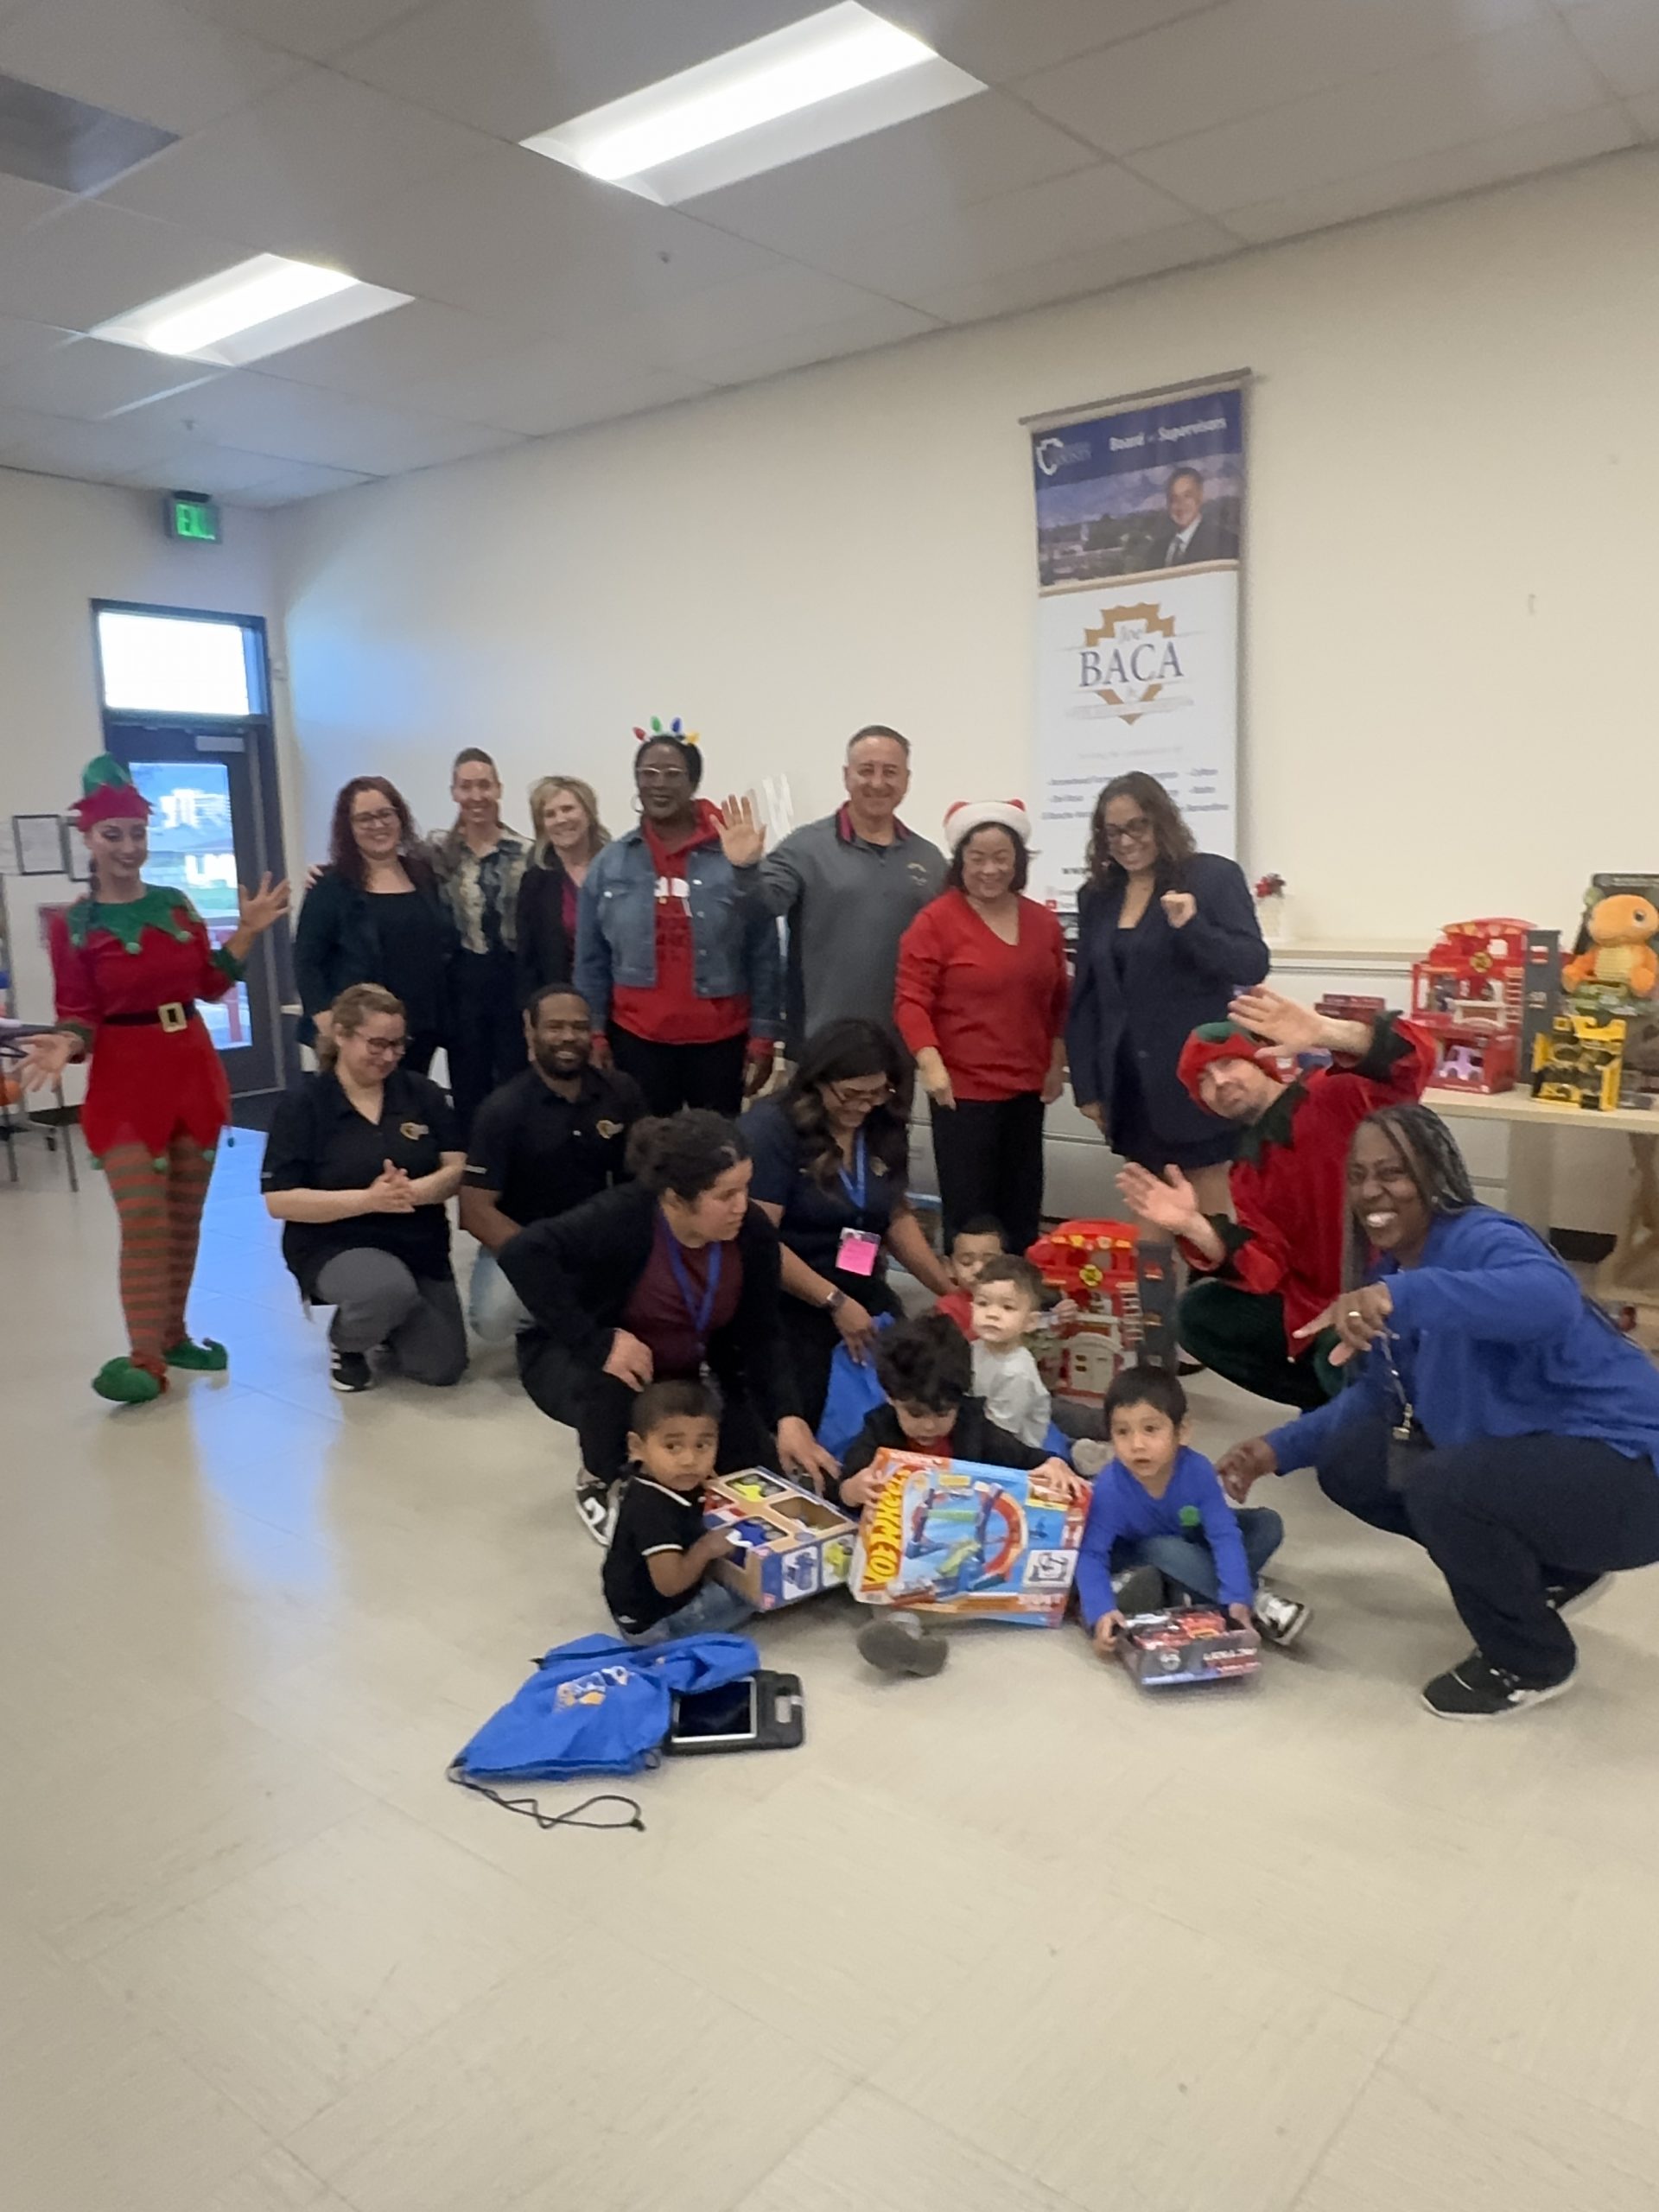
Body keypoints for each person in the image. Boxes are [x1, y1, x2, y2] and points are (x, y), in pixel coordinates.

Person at [1219, 1104, 1659, 1718]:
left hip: (1632, 1475)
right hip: (1546, 1462)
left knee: (1443, 1486)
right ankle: (1554, 1569)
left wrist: (1400, 1296)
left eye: (1395, 1172)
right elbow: (1378, 1396)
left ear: (1436, 1175)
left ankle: (1530, 1660)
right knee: (1352, 1459)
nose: (1373, 1190)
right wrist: (1273, 1449)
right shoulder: (1396, 1266)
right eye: (1360, 1175)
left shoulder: (1481, 1236)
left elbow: (1553, 1299)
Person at [19, 754, 289, 1404]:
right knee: (143, 1217)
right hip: (123, 1082)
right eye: (114, 835)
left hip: (190, 1072)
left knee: (184, 1218)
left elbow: (209, 983)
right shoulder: (74, 925)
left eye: (137, 833)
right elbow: (79, 1011)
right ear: (88, 838)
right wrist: (65, 1042)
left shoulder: (176, 906)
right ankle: (143, 1358)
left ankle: (172, 1336)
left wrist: (248, 933)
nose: (129, 847)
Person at [498, 1109, 838, 1541]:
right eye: (725, 1195)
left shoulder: (751, 1231)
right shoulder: (622, 1216)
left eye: (746, 1188)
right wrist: (595, 1342)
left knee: (751, 1474)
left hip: (687, 1365)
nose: (742, 1206)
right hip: (596, 1360)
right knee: (620, 1380)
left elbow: (762, 1331)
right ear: (676, 1198)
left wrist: (788, 1415)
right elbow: (523, 1254)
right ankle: (600, 1474)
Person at [1117, 988, 1434, 1408]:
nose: (1220, 1083)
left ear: (1260, 1059)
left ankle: (1380, 1423)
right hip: (1321, 1306)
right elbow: (1266, 1266)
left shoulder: (1335, 1090)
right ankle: (1333, 1410)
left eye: (1227, 1063)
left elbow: (1420, 1055)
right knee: (1199, 1314)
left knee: (1340, 1358)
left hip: (1402, 1286)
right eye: (1204, 1083)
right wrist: (1193, 1226)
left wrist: (1328, 1031)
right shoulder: (1248, 1172)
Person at [1067, 771, 1268, 1218]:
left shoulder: (1210, 877)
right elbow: (1087, 998)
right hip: (1129, 1089)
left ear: (1161, 821)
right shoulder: (1098, 896)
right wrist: (1088, 1087)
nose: (1125, 841)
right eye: (1112, 832)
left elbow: (1251, 964)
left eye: (1137, 826)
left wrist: (1192, 927)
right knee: (1153, 1216)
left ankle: (1216, 1290)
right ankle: (1158, 1292)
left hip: (1200, 1084)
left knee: (1212, 1220)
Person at [839, 1313, 1084, 1675]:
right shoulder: (879, 1429)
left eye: (942, 1413)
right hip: (907, 1555)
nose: (928, 1425)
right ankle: (905, 1641)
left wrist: (1054, 1463)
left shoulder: (972, 1424)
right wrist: (856, 1487)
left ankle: (1093, 1600)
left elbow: (1024, 1458)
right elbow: (844, 1488)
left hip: (972, 1547)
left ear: (959, 1400)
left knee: (1051, 1552)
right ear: (891, 1398)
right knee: (878, 1579)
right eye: (916, 1413)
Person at [744, 1018, 954, 1430]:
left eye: (878, 1092)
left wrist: (949, 1290)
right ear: (818, 1082)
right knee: (815, 1407)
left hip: (861, 1283)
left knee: (909, 1382)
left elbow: (891, 1214)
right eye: (852, 1094)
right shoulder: (771, 1130)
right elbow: (759, 1239)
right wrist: (834, 1301)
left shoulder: (881, 1121)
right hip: (788, 1297)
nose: (865, 1104)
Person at [261, 982, 467, 1393]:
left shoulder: (421, 1093)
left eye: (397, 1045)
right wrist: (369, 1200)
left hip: (418, 1242)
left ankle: (388, 1318)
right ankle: (348, 1343)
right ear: (341, 1035)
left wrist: (416, 1192)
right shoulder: (303, 1106)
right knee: (386, 1288)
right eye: (376, 1044)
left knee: (442, 1367)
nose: (388, 1056)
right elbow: (280, 1201)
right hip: (336, 1243)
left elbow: (456, 1166)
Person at [575, 726, 782, 1116]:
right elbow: (591, 959)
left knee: (715, 1158)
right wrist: (595, 1033)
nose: (659, 784)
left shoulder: (733, 853)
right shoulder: (611, 863)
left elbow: (764, 949)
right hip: (637, 1039)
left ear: (693, 782)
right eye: (648, 774)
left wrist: (763, 1036)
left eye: (672, 773)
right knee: (646, 1152)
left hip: (721, 1041)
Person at [895, 800, 1069, 1252]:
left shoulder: (1044, 922)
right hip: (962, 1092)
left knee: (1022, 1208)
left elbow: (1059, 1002)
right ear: (960, 862)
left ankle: (1018, 1309)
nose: (990, 869)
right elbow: (911, 1002)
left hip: (1026, 1090)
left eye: (1001, 858)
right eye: (978, 858)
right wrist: (931, 1067)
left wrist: (1056, 1061)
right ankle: (969, 1312)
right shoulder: (935, 921)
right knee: (972, 1217)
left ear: (1018, 862)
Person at [722, 725, 946, 1050]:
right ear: (846, 776)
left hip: (898, 1047)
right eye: (866, 770)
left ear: (907, 781)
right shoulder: (805, 847)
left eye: (891, 772)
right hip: (819, 1046)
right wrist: (745, 870)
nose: (878, 783)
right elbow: (762, 908)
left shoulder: (929, 859)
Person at [460, 985, 645, 1341]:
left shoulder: (621, 1092)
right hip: (525, 1237)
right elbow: (475, 1211)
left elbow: (645, 1177)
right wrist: (539, 1258)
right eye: (555, 1027)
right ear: (530, 1030)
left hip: (598, 1236)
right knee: (494, 1319)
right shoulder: (501, 1110)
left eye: (578, 1027)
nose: (568, 1038)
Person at [1076, 1366, 1306, 1652]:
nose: (1137, 1445)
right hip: (1144, 1557)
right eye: (1122, 1432)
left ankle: (1199, 1590)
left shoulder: (1197, 1471)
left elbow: (1223, 1534)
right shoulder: (1111, 1487)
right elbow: (1091, 1554)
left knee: (1267, 1525)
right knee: (1163, 1548)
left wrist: (1236, 1596)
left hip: (1190, 1540)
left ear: (1181, 1432)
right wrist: (1100, 1613)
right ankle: (1256, 1602)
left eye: (1151, 1429)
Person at [293, 776, 456, 1073]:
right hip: (360, 1034)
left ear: (400, 817)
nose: (378, 825)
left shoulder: (423, 875)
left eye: (385, 814)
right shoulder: (330, 886)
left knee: (410, 1113)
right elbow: (306, 960)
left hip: (419, 1029)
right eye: (365, 818)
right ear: (349, 827)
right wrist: (325, 1018)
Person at [429, 747, 532, 1136]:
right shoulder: (436, 854)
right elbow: (380, 865)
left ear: (499, 789)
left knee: (515, 1086)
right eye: (466, 786)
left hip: (513, 983)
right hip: (461, 988)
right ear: (454, 792)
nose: (476, 796)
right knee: (469, 1091)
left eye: (484, 785)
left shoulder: (526, 852)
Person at [602, 1380, 753, 1646]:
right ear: (637, 1447)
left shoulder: (661, 1478)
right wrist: (705, 1549)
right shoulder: (652, 1509)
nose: (689, 1460)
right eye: (672, 1447)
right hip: (654, 1626)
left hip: (633, 1605)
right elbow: (669, 1584)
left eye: (702, 1446)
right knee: (750, 1594)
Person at [515, 774, 609, 1004]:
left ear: (588, 813)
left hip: (618, 1005)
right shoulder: (534, 883)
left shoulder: (617, 869)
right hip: (560, 1008)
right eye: (550, 814)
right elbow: (528, 960)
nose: (561, 819)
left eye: (568, 809)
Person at [933, 1215, 1009, 1338]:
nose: (978, 1270)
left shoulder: (1016, 1301)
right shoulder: (946, 1309)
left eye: (989, 1262)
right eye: (966, 1262)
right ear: (949, 1267)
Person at [1155, 465, 1237, 569]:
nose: (1180, 505)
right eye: (1174, 498)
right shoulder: (1157, 551)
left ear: (1200, 497)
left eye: (1187, 496)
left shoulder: (1224, 542)